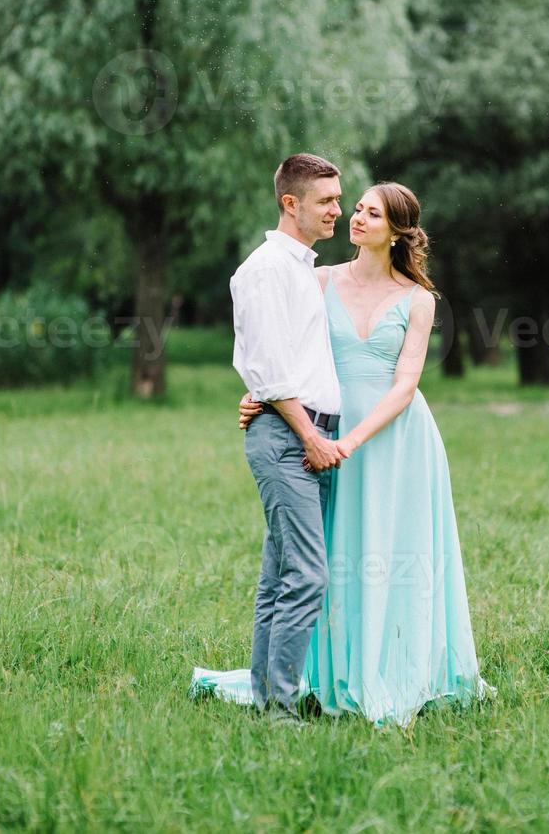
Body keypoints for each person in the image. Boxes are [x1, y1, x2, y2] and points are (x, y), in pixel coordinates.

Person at [190, 179, 495, 727]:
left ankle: (395, 666)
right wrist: (259, 395)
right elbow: (280, 348)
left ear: (398, 232)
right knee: (329, 557)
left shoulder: (419, 300)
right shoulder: (319, 279)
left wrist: (350, 442)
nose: (355, 218)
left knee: (392, 553)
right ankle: (324, 674)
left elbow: (405, 386)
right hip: (319, 430)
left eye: (371, 213)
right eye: (354, 208)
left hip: (391, 439)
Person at [220, 152, 347, 726]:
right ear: (290, 204)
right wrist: (310, 438)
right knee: (308, 574)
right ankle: (281, 708)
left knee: (280, 574)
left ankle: (267, 695)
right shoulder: (268, 269)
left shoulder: (300, 267)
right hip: (290, 440)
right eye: (326, 201)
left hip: (302, 434)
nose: (337, 211)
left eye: (339, 200)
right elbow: (270, 372)